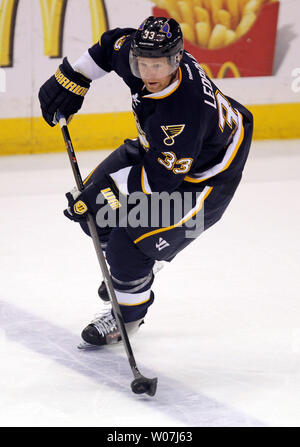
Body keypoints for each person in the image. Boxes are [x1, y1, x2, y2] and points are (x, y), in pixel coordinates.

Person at [38, 16, 253, 347]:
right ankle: (127, 279)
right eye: (143, 64)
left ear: (177, 58)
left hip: (205, 183)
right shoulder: (137, 54)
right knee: (96, 214)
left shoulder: (183, 112)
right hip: (162, 155)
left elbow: (160, 183)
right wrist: (73, 76)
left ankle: (128, 313)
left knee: (128, 245)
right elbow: (111, 46)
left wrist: (103, 191)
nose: (150, 74)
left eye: (160, 65)